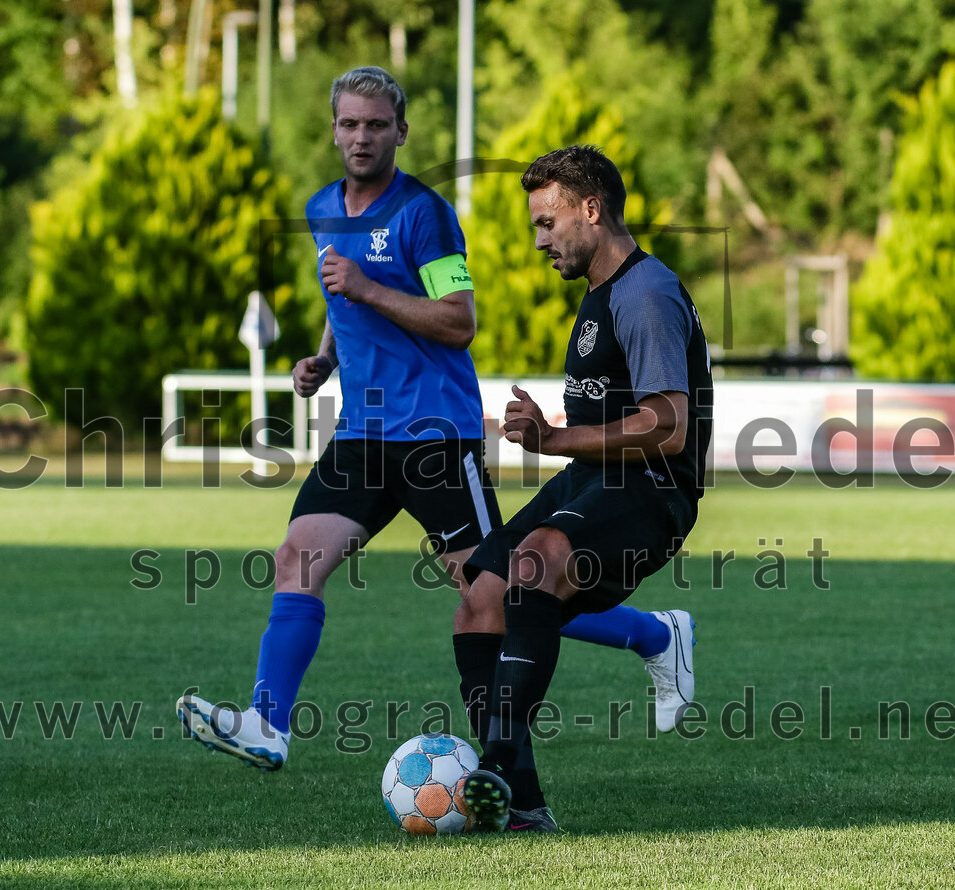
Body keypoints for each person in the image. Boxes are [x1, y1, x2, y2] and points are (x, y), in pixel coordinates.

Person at [176, 70, 682, 787]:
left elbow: (458, 320)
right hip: (361, 432)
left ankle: (653, 633)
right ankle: (267, 723)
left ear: (401, 131)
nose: (361, 137)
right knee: (297, 557)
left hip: (432, 432)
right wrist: (323, 356)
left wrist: (366, 287)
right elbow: (339, 289)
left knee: (494, 591)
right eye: (349, 124)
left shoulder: (425, 214)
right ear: (333, 129)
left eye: (376, 125)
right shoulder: (324, 206)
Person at [454, 145, 713, 834]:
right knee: (480, 593)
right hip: (597, 478)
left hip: (654, 490)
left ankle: (498, 759)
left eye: (548, 222)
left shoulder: (647, 292)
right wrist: (552, 429)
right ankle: (522, 804)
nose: (539, 239)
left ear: (591, 210)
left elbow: (669, 426)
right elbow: (613, 413)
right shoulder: (601, 295)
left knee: (536, 559)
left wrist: (553, 440)